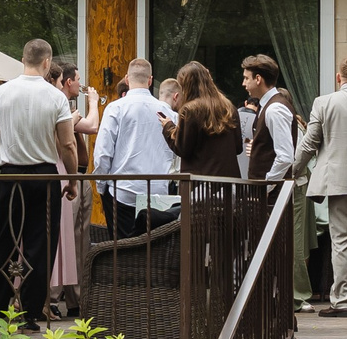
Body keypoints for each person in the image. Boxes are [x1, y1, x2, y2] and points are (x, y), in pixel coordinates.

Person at [0, 38, 76, 329]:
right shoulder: (56, 97)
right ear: (47, 63)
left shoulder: (0, 93)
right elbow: (69, 144)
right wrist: (71, 180)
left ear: (22, 59)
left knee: (2, 243)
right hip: (45, 177)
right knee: (41, 245)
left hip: (10, 176)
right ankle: (32, 312)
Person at [288, 57, 347, 316]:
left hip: (339, 181)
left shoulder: (324, 103)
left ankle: (342, 301)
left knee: (342, 242)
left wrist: (292, 172)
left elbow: (309, 143)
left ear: (338, 78)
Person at [93, 56, 180, 237]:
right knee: (155, 249)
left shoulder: (115, 108)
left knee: (121, 249)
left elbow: (103, 152)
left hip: (122, 190)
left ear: (127, 79)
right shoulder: (169, 113)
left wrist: (102, 186)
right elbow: (176, 153)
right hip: (158, 192)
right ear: (150, 80)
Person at [50, 59, 100, 318]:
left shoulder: (67, 107)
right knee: (62, 237)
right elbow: (92, 127)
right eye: (78, 80)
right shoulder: (58, 108)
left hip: (81, 176)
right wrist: (93, 103)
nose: (81, 84)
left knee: (81, 238)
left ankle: (76, 299)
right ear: (67, 82)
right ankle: (51, 297)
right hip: (66, 178)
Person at [166, 60, 243, 179]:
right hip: (229, 183)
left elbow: (182, 149)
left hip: (201, 186)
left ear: (185, 86)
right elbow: (238, 148)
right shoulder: (229, 107)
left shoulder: (190, 110)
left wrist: (168, 127)